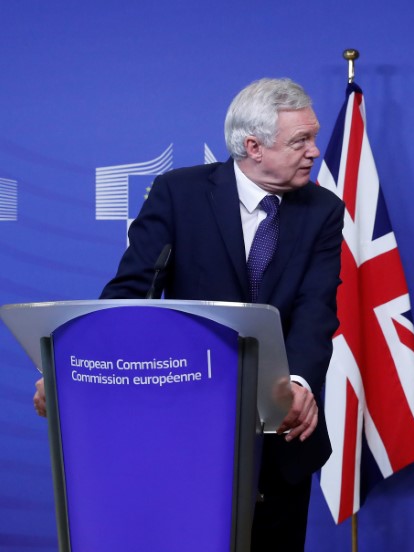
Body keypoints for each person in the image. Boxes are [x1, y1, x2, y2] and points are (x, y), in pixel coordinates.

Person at [33, 78, 345, 551]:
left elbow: (316, 307)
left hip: (280, 437)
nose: (314, 151)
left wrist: (298, 384)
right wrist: (70, 371)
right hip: (186, 427)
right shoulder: (179, 194)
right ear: (252, 146)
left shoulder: (323, 209)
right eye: (300, 140)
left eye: (313, 137)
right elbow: (132, 292)